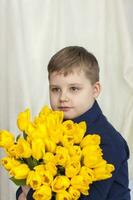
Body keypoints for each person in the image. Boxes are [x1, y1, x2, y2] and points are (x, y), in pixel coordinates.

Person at [16, 46, 131, 199]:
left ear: (95, 90)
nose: (63, 97)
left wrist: (30, 195)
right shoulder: (51, 129)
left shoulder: (109, 143)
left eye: (74, 89)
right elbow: (27, 180)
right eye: (56, 89)